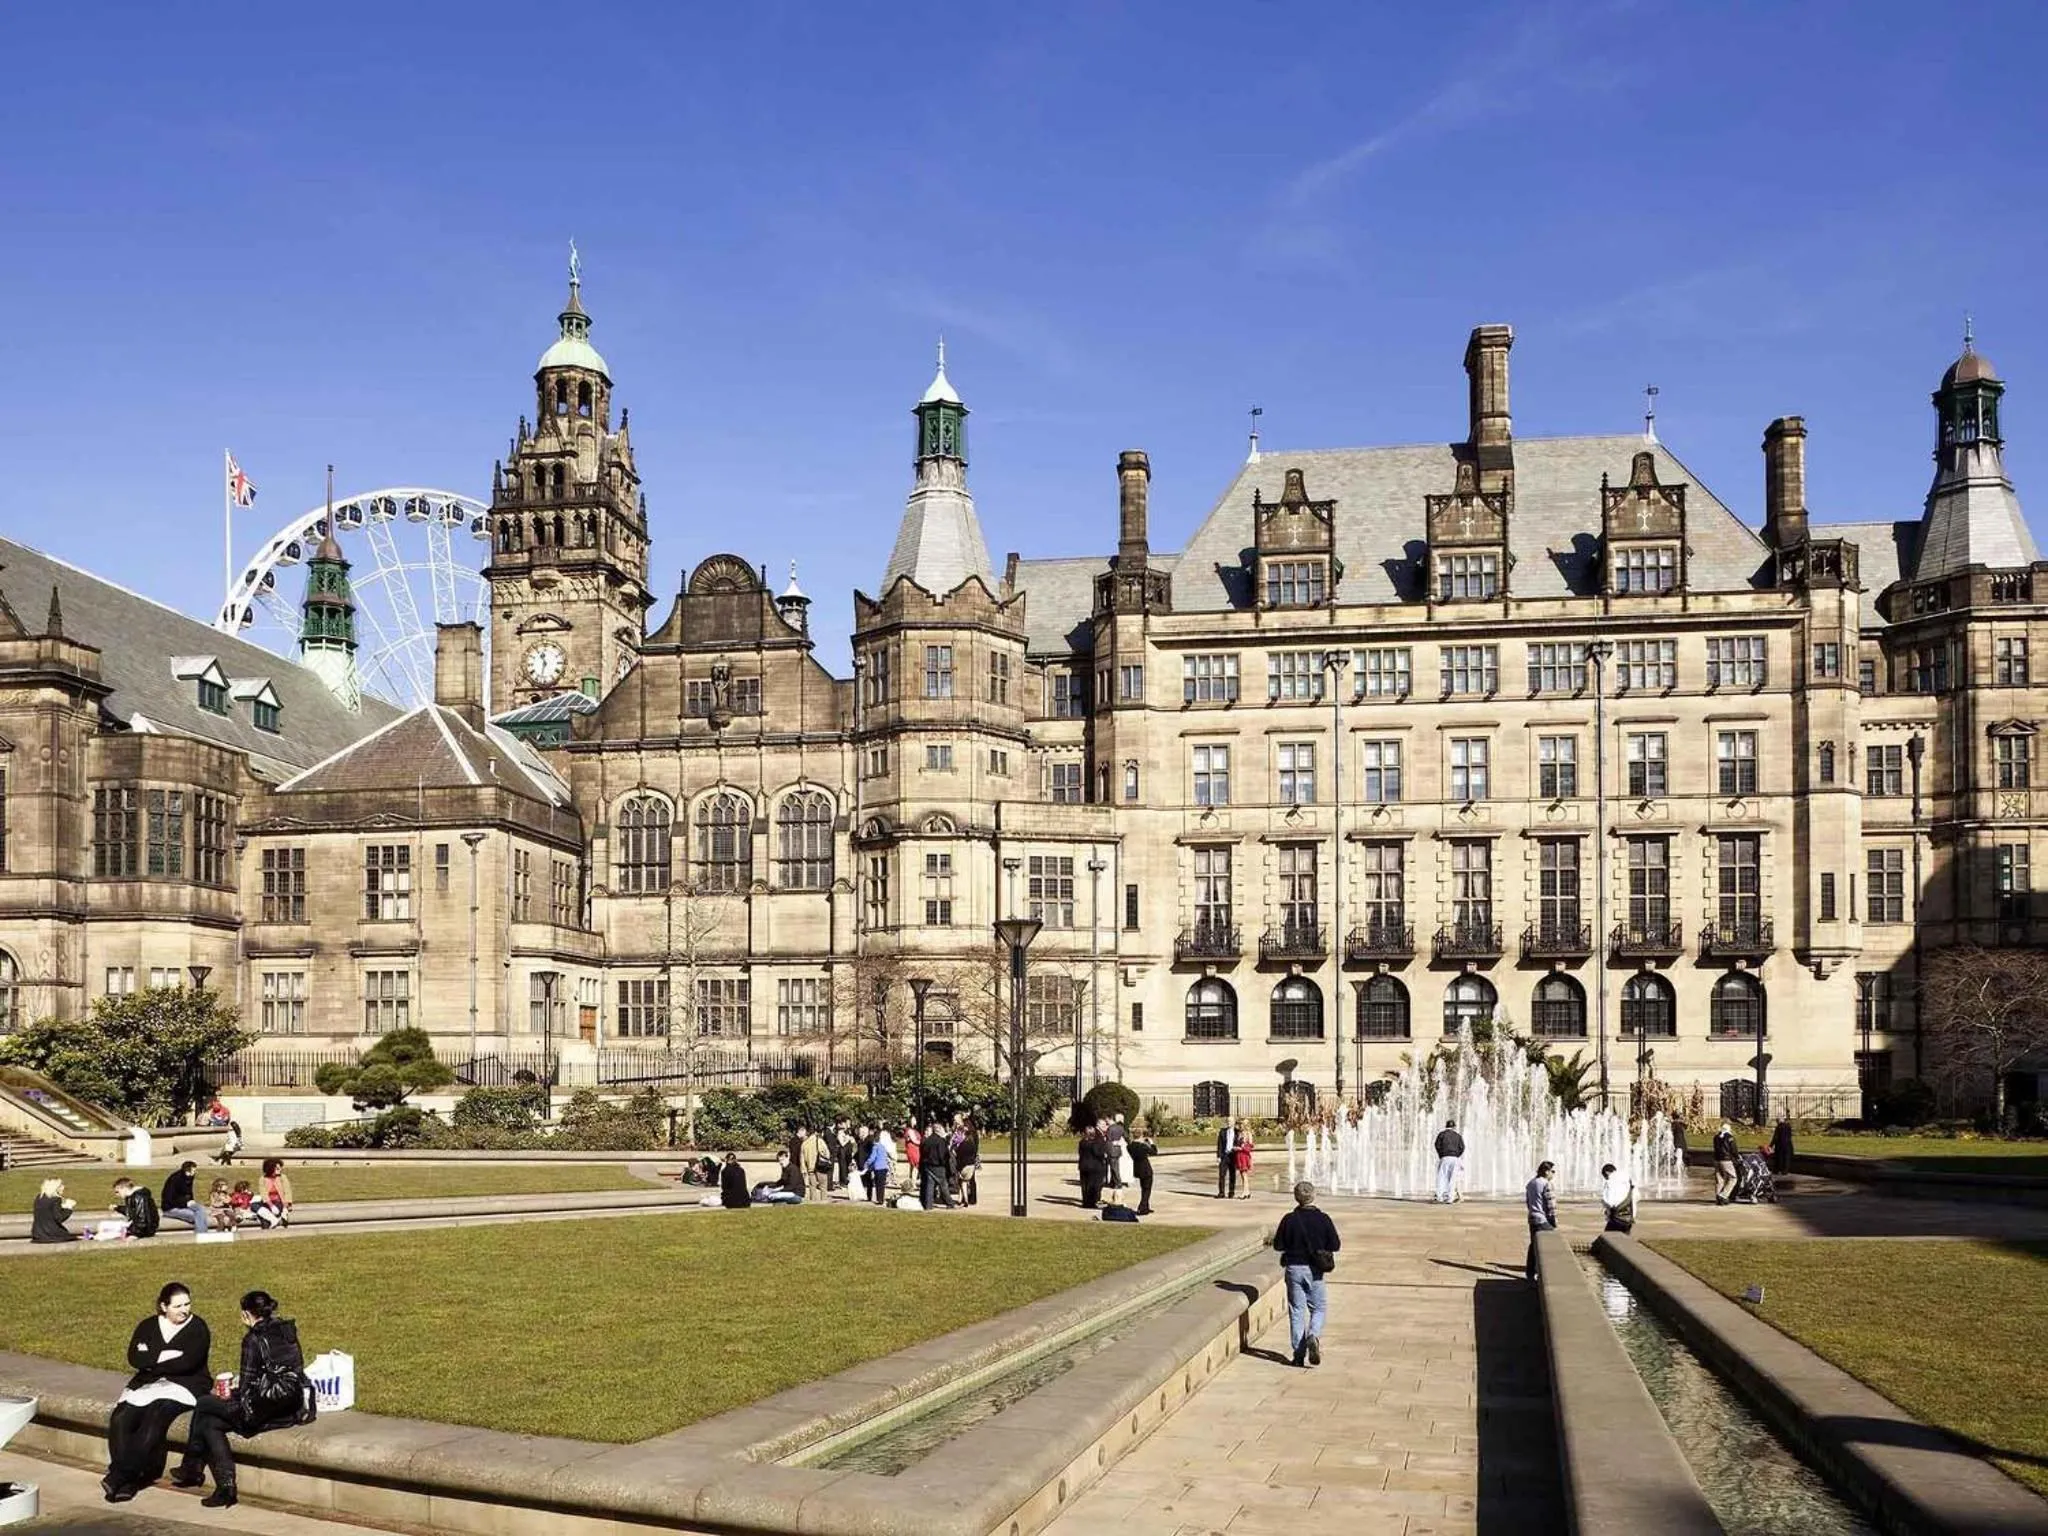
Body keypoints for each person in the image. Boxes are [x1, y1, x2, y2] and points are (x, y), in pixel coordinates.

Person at [173, 1289, 309, 1508]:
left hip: (264, 1411)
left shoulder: (252, 1339)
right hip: (291, 1407)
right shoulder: (287, 1330)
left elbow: (247, 1389)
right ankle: (215, 1482)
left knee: (204, 1404)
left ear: (246, 1315)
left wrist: (227, 1393)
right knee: (209, 1424)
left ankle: (195, 1468)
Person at [103, 1281, 212, 1502]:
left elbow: (188, 1363)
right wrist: (165, 1358)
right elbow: (135, 1358)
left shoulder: (198, 1328)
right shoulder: (148, 1326)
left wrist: (154, 1361)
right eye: (178, 1306)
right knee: (121, 1417)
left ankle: (125, 1476)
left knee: (157, 1414)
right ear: (163, 1306)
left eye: (187, 1304)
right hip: (147, 1384)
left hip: (184, 1385)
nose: (184, 1310)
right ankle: (125, 1473)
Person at [1272, 1181, 1341, 1368]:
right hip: (1315, 1270)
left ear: (1296, 1197)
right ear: (1313, 1196)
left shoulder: (1289, 1219)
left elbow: (1278, 1245)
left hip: (1294, 1268)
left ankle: (1298, 1354)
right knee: (1318, 1308)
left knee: (1296, 1310)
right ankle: (1313, 1335)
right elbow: (1335, 1245)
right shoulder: (1324, 1219)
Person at [1525, 1161, 1558, 1282]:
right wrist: (1553, 1223)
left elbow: (1528, 1202)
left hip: (1532, 1217)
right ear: (1546, 1171)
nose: (1553, 1174)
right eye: (1553, 1171)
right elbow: (1551, 1206)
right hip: (1543, 1219)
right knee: (1549, 1246)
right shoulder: (1546, 1184)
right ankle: (1544, 1272)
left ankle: (1530, 1272)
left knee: (1534, 1244)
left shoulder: (1531, 1183)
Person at [159, 1161, 210, 1233]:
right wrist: (185, 1203)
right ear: (187, 1170)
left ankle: (203, 1232)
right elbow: (169, 1199)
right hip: (171, 1208)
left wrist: (192, 1201)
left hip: (185, 1204)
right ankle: (201, 1234)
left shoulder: (189, 1177)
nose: (195, 1172)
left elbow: (189, 1192)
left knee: (201, 1209)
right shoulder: (174, 1179)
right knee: (196, 1216)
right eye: (194, 1170)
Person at [32, 1177, 80, 1243]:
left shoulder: (39, 1198)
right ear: (55, 1187)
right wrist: (69, 1208)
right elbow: (59, 1218)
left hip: (37, 1234)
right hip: (52, 1234)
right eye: (61, 1185)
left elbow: (48, 1213)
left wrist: (63, 1207)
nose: (63, 1187)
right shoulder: (56, 1199)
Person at [250, 1158, 293, 1229]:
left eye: (280, 1168)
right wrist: (271, 1206)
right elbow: (263, 1194)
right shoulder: (262, 1179)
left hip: (279, 1202)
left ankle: (272, 1221)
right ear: (270, 1169)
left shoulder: (283, 1177)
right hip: (268, 1203)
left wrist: (286, 1206)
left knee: (264, 1220)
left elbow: (287, 1191)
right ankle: (273, 1219)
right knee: (253, 1205)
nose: (280, 1169)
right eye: (277, 1168)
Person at [1128, 1120, 1159, 1216]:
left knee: (1143, 1188)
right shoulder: (1142, 1146)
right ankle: (1142, 1207)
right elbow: (1154, 1152)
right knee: (1147, 1189)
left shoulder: (1130, 1146)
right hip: (1145, 1169)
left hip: (1137, 1168)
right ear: (1141, 1136)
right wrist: (1151, 1143)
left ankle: (1146, 1206)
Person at [1433, 1119, 1465, 1205]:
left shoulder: (1442, 1134)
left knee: (1442, 1177)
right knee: (1453, 1178)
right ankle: (1450, 1198)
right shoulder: (1458, 1135)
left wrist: (1441, 1154)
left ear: (1446, 1126)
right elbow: (1462, 1147)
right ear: (1454, 1127)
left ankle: (1440, 1197)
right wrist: (1457, 1155)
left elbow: (1437, 1145)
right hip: (1454, 1158)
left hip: (1445, 1157)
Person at [1599, 1163, 1636, 1234]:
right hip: (1629, 1218)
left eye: (1604, 1176)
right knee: (1624, 1238)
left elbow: (1610, 1201)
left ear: (1607, 1172)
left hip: (1617, 1217)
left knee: (1608, 1238)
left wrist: (1606, 1210)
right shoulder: (1628, 1178)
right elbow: (1636, 1196)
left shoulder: (1610, 1181)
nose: (1605, 1179)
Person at [1076, 1124, 1106, 1210]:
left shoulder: (1082, 1142)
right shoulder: (1095, 1143)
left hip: (1084, 1165)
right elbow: (1098, 1153)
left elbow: (1080, 1153)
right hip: (1094, 1166)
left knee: (1085, 1185)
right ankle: (1093, 1201)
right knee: (1094, 1185)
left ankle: (1086, 1202)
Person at [1712, 1123, 1740, 1206]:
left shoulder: (1716, 1137)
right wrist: (1737, 1157)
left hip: (1716, 1160)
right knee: (1733, 1178)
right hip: (1726, 1160)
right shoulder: (1730, 1138)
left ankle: (1718, 1198)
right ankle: (1723, 1195)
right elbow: (1734, 1150)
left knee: (1719, 1179)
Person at [957, 1118, 980, 1207]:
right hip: (972, 1159)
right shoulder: (973, 1134)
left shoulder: (968, 1137)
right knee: (971, 1179)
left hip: (967, 1159)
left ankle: (966, 1198)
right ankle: (972, 1198)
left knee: (964, 1180)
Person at [1215, 1119, 1240, 1200]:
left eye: (1231, 1121)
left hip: (1233, 1155)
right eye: (1228, 1121)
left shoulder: (1237, 1132)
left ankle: (1231, 1192)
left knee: (1232, 1175)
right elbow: (1219, 1145)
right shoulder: (1222, 1131)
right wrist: (1218, 1156)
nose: (1229, 1123)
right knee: (1222, 1174)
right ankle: (1221, 1192)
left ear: (1234, 1123)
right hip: (1224, 1155)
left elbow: (1240, 1143)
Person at [1233, 1121, 1255, 1199]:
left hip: (1244, 1156)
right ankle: (1247, 1191)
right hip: (1239, 1155)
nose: (1240, 1126)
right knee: (1242, 1174)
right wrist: (1236, 1147)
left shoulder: (1248, 1134)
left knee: (1244, 1174)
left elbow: (1251, 1146)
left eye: (1242, 1125)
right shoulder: (1239, 1134)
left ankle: (1245, 1192)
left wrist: (1241, 1148)